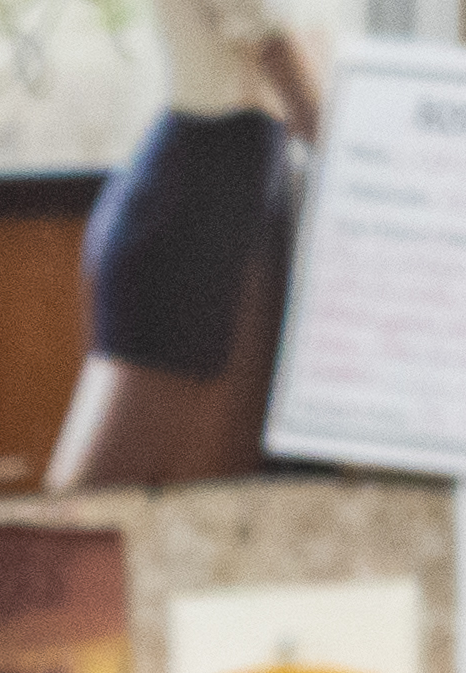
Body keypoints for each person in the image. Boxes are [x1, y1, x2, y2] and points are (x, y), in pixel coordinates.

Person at [46, 0, 322, 494]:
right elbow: (295, 86)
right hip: (195, 202)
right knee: (93, 502)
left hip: (223, 187)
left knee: (195, 487)